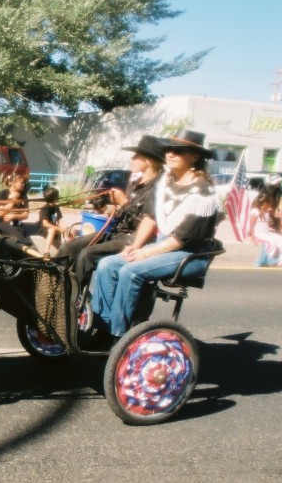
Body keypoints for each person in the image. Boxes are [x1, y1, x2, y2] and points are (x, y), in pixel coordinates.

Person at [85, 129, 222, 341]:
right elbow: (151, 217)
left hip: (189, 254)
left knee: (131, 271)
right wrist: (137, 246)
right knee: (107, 265)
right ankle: (102, 326)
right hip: (164, 247)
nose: (170, 154)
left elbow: (181, 239)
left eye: (179, 150)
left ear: (194, 156)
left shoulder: (203, 192)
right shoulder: (165, 180)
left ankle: (119, 335)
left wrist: (147, 254)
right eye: (169, 149)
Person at [55, 135, 165, 287]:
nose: (132, 158)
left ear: (148, 160)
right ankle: (54, 286)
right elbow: (127, 216)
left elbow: (150, 221)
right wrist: (110, 210)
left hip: (134, 239)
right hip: (117, 234)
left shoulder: (159, 187)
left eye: (136, 155)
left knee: (87, 254)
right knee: (70, 246)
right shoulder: (136, 184)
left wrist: (124, 203)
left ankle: (71, 298)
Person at [0, 174, 42, 258]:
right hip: (2, 222)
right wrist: (13, 201)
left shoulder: (24, 196)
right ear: (13, 183)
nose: (24, 185)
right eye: (21, 183)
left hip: (16, 222)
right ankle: (28, 255)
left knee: (21, 231)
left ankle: (29, 257)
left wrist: (13, 216)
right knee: (19, 237)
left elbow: (26, 215)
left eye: (24, 183)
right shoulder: (3, 194)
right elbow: (1, 214)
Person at [249, 186, 282, 267]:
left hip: (266, 233)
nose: (270, 206)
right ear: (264, 204)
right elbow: (251, 225)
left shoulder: (266, 212)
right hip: (258, 234)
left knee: (280, 239)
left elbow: (270, 221)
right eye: (268, 204)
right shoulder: (255, 211)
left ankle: (280, 260)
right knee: (272, 241)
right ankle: (267, 260)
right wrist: (252, 236)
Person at [38, 185, 67, 257]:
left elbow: (59, 219)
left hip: (53, 226)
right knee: (52, 230)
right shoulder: (45, 208)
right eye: (57, 196)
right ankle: (46, 252)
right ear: (54, 198)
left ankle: (68, 249)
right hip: (44, 228)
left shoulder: (56, 207)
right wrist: (58, 228)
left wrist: (64, 227)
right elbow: (45, 224)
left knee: (70, 229)